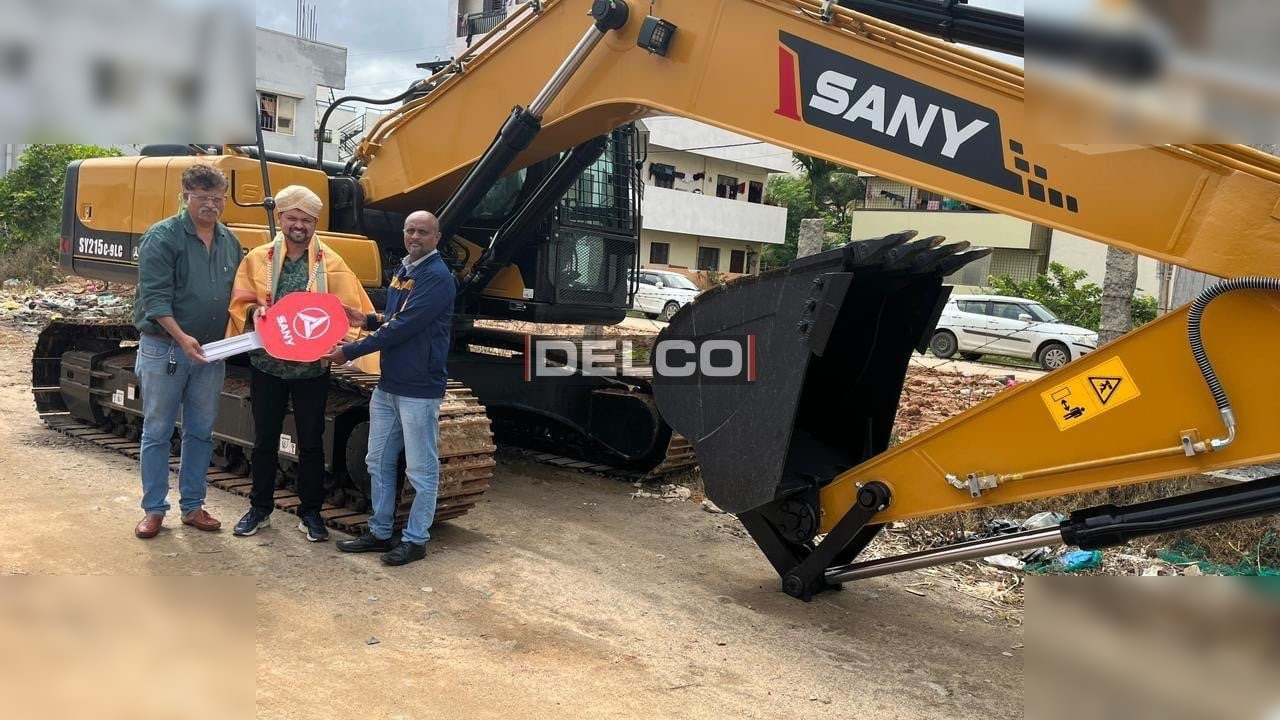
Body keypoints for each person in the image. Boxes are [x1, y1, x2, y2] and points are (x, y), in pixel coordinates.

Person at [225, 185, 375, 542]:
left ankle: (311, 513)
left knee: (311, 443)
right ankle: (260, 508)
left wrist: (342, 342)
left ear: (314, 224)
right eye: (292, 218)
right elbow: (241, 300)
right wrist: (254, 310)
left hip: (312, 369)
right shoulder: (258, 259)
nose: (299, 225)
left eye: (306, 220)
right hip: (268, 365)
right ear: (281, 218)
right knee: (264, 440)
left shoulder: (331, 263)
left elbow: (351, 310)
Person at [322, 210, 452, 566]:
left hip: (418, 389)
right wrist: (366, 318)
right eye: (410, 230)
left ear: (437, 238)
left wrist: (350, 351)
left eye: (423, 232)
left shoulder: (436, 277)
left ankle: (416, 539)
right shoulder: (405, 269)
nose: (415, 237)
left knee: (421, 469)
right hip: (389, 385)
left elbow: (405, 326)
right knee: (377, 460)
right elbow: (395, 318)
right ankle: (380, 531)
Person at [132, 163, 242, 539]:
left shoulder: (229, 241)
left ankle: (193, 506)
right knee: (158, 430)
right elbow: (155, 298)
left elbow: (238, 294)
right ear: (185, 197)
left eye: (218, 198)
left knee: (201, 431)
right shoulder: (163, 237)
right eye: (203, 197)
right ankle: (154, 509)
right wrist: (181, 337)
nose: (211, 204)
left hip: (210, 353)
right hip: (165, 348)